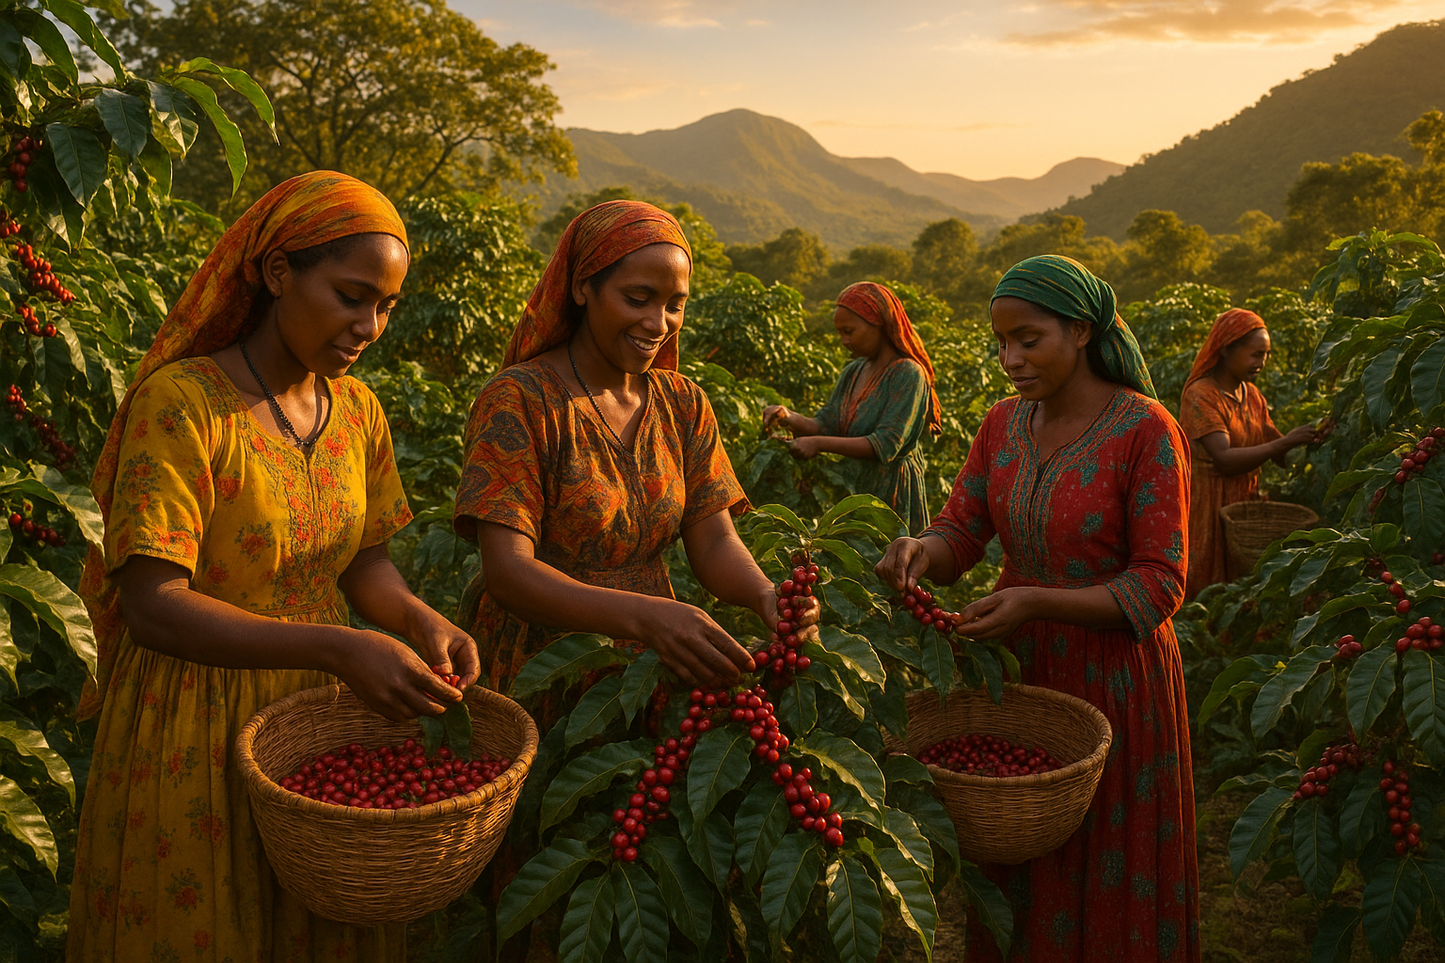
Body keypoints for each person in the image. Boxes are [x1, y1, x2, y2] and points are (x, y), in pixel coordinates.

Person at [68, 171, 480, 962]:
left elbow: (366, 566)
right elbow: (153, 603)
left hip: (319, 719)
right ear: (279, 272)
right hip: (195, 718)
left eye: (387, 306)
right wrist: (340, 647)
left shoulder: (357, 411)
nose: (369, 326)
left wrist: (418, 619)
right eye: (351, 296)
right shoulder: (184, 403)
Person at [876, 255, 1199, 963]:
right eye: (1001, 343)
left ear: (1081, 331)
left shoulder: (1145, 430)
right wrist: (920, 549)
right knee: (1017, 842)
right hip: (1020, 671)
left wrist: (1034, 601)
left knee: (1105, 850)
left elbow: (1159, 583)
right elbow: (963, 529)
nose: (1010, 360)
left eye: (1028, 340)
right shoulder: (1001, 424)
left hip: (1116, 678)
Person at [453, 198, 818, 707]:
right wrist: (646, 616)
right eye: (638, 298)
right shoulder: (521, 401)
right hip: (542, 668)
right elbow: (509, 574)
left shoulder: (683, 403)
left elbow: (714, 540)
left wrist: (765, 595)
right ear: (582, 287)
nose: (658, 322)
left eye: (674, 305)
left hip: (648, 667)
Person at [762, 281, 942, 534]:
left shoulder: (908, 374)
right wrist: (787, 416)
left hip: (890, 497)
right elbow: (826, 424)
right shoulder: (853, 371)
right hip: (852, 490)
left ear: (878, 324)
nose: (844, 341)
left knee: (887, 555)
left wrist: (818, 444)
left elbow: (885, 445)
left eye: (849, 331)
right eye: (840, 333)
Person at [1179, 308, 1317, 598]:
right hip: (1209, 507)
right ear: (1226, 349)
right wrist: (1283, 444)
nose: (1261, 362)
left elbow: (1277, 449)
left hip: (1245, 509)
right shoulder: (1201, 395)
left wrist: (1314, 437)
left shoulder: (1252, 396)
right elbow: (1225, 460)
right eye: (1255, 354)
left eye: (1265, 355)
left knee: (1244, 590)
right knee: (1209, 589)